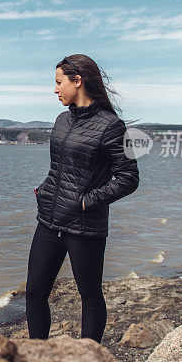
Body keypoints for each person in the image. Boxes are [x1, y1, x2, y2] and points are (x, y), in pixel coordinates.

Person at [27, 54, 140, 343]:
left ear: (78, 81)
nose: (55, 89)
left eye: (58, 82)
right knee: (34, 292)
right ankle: (36, 358)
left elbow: (129, 178)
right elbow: (59, 167)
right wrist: (45, 190)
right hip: (49, 222)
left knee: (89, 296)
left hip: (85, 227)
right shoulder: (62, 120)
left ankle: (89, 359)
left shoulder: (113, 126)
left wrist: (85, 202)